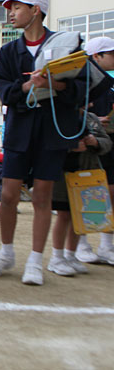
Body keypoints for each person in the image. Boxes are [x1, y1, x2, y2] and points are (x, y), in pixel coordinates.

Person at [0, 0, 88, 286]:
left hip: (52, 131)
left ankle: (35, 261)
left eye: (17, 7)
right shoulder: (8, 52)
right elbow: (5, 91)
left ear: (36, 10)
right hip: (19, 130)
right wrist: (28, 86)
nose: (11, 13)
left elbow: (82, 88)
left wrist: (57, 85)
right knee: (8, 194)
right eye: (10, 8)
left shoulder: (67, 46)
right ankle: (6, 252)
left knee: (43, 195)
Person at [49, 108, 111, 276]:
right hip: (63, 173)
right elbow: (50, 142)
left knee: (81, 215)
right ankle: (57, 257)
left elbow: (106, 142)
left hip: (87, 172)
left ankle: (71, 255)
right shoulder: (58, 116)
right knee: (63, 215)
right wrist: (71, 146)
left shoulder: (91, 118)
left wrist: (95, 142)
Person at [77, 36, 114, 264]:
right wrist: (95, 120)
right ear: (96, 56)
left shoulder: (110, 83)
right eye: (111, 53)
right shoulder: (84, 82)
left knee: (111, 192)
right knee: (87, 192)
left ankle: (107, 246)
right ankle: (81, 244)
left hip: (108, 142)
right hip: (89, 143)